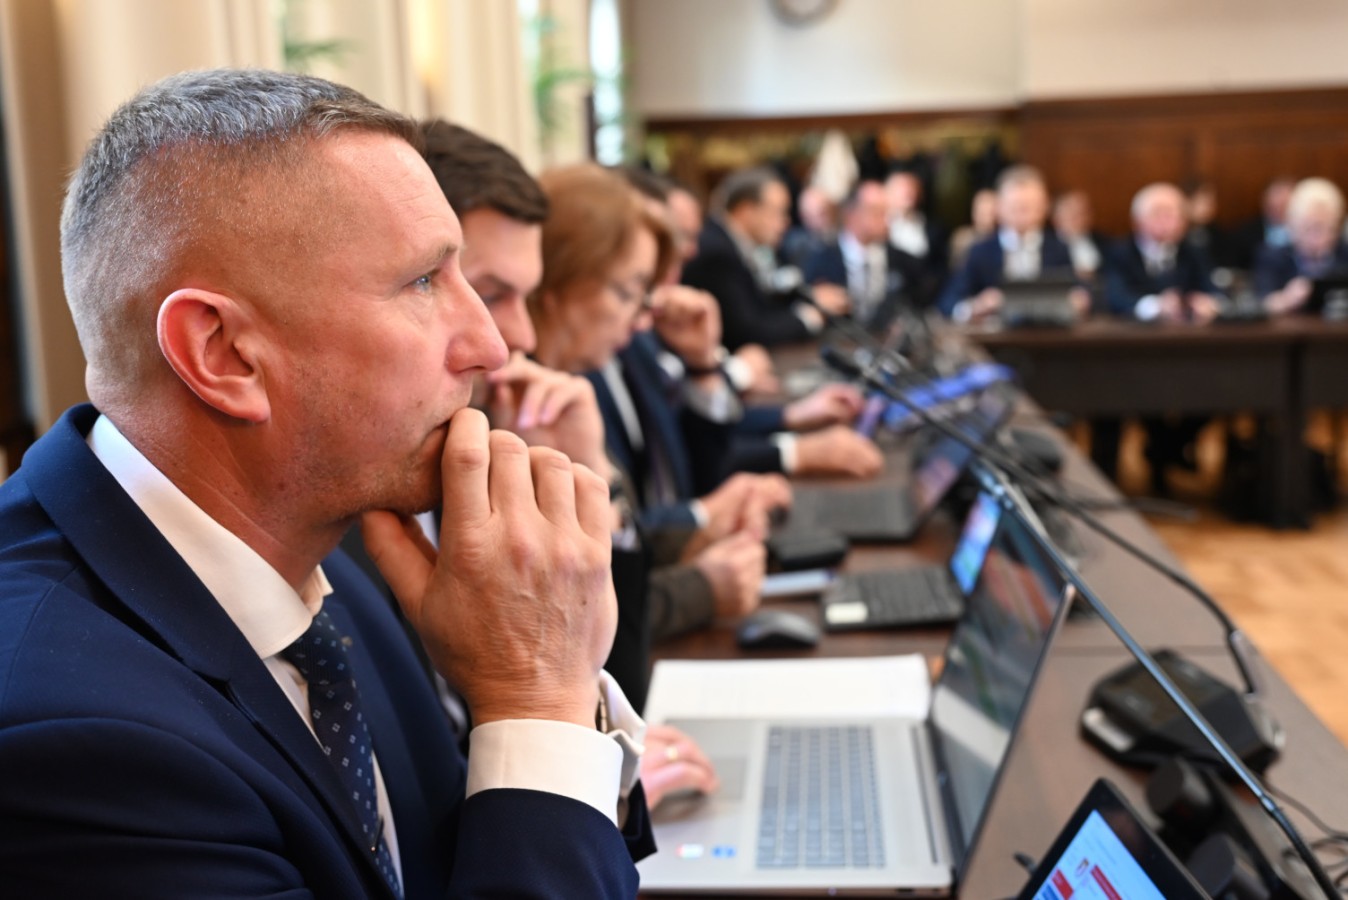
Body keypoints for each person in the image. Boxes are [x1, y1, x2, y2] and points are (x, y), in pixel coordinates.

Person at [0, 69, 652, 897]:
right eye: (424, 282)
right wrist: (538, 696)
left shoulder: (323, 557)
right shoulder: (68, 737)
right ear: (223, 354)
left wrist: (549, 705)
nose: (491, 346)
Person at [413, 123, 717, 802]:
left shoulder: (513, 420)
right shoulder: (370, 505)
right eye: (493, 292)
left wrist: (590, 477)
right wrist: (592, 784)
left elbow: (598, 670)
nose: (516, 335)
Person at [528, 163, 783, 644]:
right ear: (561, 279)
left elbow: (673, 485)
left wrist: (703, 365)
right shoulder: (525, 400)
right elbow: (563, 613)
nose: (643, 314)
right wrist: (700, 549)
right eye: (630, 290)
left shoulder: (617, 351)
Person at [682, 167, 848, 349]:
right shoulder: (718, 253)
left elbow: (760, 306)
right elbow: (747, 331)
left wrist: (811, 297)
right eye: (778, 212)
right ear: (746, 211)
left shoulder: (730, 243)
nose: (786, 222)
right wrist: (812, 315)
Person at [938, 165, 1079, 322]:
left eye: (1028, 207)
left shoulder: (1059, 248)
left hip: (1049, 332)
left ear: (1044, 206)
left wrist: (1078, 300)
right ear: (999, 207)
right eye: (1015, 207)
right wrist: (976, 306)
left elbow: (1081, 292)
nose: (1022, 214)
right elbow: (948, 302)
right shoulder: (981, 251)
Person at [803, 178, 930, 325]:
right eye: (877, 212)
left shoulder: (902, 261)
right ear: (852, 214)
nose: (887, 220)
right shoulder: (821, 260)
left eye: (888, 212)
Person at [1103, 182, 1222, 322]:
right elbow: (1116, 297)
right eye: (1161, 214)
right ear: (1138, 220)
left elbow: (1214, 291)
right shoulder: (1120, 252)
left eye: (1177, 214)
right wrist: (1156, 305)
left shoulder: (1193, 251)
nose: (1171, 222)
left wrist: (1207, 303)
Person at [1254, 177, 1348, 315]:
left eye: (1330, 229)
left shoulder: (1344, 254)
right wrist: (1286, 298)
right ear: (1293, 226)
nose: (1321, 238)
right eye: (1312, 228)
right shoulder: (1272, 256)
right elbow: (1261, 302)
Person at [884, 168, 949, 283]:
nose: (908, 192)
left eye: (912, 187)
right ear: (886, 193)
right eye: (902, 188)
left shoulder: (934, 230)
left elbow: (941, 269)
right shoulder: (879, 227)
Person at [778, 184, 837, 271]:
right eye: (822, 214)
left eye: (829, 212)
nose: (827, 218)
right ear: (803, 217)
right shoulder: (796, 244)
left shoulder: (837, 237)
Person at [1051, 189, 1105, 282]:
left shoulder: (1103, 242)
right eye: (1072, 213)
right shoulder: (1047, 247)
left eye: (1082, 213)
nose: (1079, 219)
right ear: (1056, 218)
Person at [948, 187, 997, 272]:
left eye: (990, 212)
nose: (987, 218)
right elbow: (957, 271)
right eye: (982, 213)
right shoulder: (962, 238)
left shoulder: (1006, 239)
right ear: (974, 212)